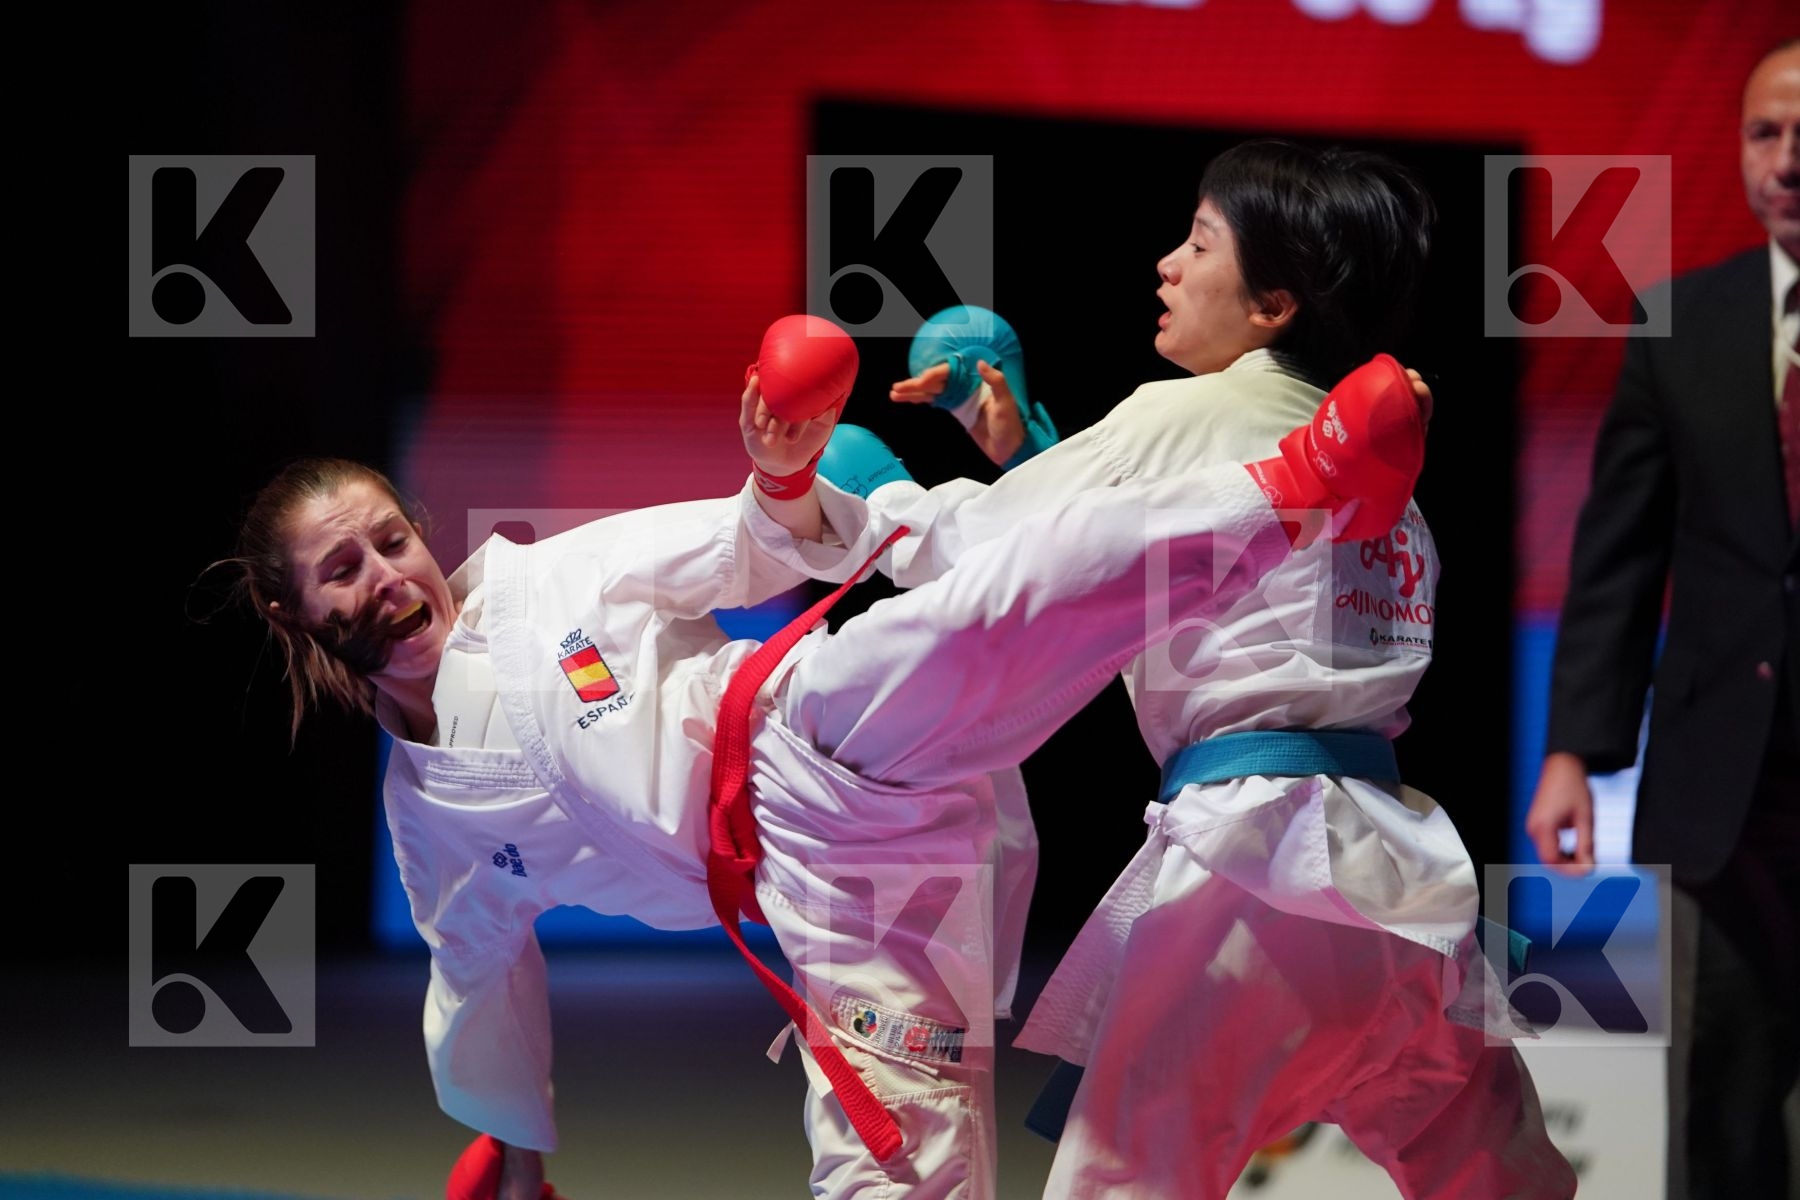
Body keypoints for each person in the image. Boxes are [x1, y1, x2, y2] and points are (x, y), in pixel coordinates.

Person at [228, 355, 1426, 1200]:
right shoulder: (425, 820)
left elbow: (740, 539)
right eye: (344, 568)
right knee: (890, 1176)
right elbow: (480, 973)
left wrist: (781, 478)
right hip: (834, 909)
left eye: (392, 539)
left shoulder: (546, 581)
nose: (388, 574)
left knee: (996, 612)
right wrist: (517, 1152)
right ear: (290, 612)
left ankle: (1293, 488)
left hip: (809, 744)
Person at [833, 139, 1576, 1197]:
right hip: (1402, 887)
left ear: (1274, 302)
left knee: (1122, 1184)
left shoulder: (1181, 414)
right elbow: (1182, 548)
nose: (1165, 265)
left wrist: (866, 491)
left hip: (1253, 873)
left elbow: (989, 560)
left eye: (1197, 242)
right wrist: (1031, 451)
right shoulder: (1392, 485)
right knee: (1501, 1182)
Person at [1525, 39, 1800, 1200]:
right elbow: (1618, 561)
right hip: (1720, 792)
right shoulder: (1681, 322)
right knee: (1719, 1118)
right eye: (1765, 133)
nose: (1788, 160)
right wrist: (1575, 751)